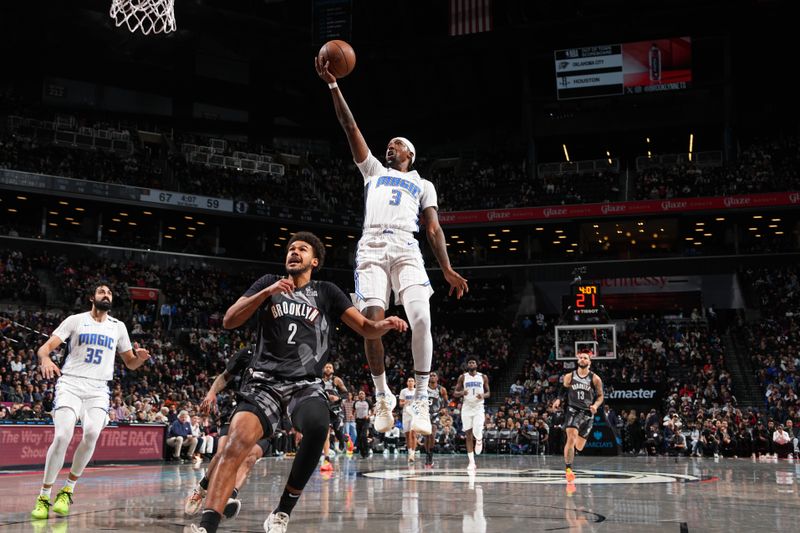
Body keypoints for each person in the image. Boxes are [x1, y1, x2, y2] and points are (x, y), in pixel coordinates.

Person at [189, 232, 407, 533]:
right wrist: (266, 294)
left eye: (302, 249)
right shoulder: (267, 283)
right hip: (264, 382)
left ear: (314, 261)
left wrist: (383, 325)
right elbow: (229, 320)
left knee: (318, 427)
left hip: (304, 384)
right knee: (235, 443)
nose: (294, 252)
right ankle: (207, 525)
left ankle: (282, 512)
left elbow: (366, 328)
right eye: (291, 249)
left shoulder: (327, 292)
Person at [315, 57, 469, 437]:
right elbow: (349, 125)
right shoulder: (374, 173)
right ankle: (383, 396)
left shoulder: (423, 183)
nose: (390, 146)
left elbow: (432, 228)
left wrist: (446, 267)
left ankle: (419, 400)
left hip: (406, 247)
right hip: (371, 248)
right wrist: (334, 85)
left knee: (422, 318)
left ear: (410, 155)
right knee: (371, 325)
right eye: (388, 143)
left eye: (397, 144)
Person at [31, 282, 151, 520]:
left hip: (98, 389)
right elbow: (44, 349)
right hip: (71, 384)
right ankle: (44, 496)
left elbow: (130, 363)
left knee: (92, 434)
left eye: (109, 293)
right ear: (92, 298)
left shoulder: (118, 327)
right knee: (63, 436)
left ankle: (67, 490)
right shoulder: (75, 320)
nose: (106, 294)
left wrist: (141, 359)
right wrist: (45, 359)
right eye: (101, 292)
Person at [184, 347, 270, 520]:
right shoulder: (248, 353)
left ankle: (229, 497)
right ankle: (201, 490)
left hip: (269, 414)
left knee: (250, 457)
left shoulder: (289, 356)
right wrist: (211, 393)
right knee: (223, 452)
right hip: (243, 409)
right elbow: (225, 376)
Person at [552, 349, 604, 486]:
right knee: (571, 437)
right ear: (577, 360)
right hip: (572, 410)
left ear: (589, 362)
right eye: (580, 357)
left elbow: (600, 396)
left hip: (587, 413)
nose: (582, 359)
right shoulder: (569, 376)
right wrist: (558, 400)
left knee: (579, 446)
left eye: (585, 358)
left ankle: (571, 449)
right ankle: (568, 469)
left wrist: (596, 406)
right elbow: (562, 391)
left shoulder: (595, 378)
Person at [453, 358, 490, 471]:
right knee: (468, 434)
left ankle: (479, 439)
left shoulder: (483, 376)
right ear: (467, 365)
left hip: (478, 407)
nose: (471, 364)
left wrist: (483, 395)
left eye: (473, 362)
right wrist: (461, 393)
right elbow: (455, 393)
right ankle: (471, 462)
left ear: (477, 364)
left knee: (477, 430)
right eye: (469, 362)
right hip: (467, 407)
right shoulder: (463, 377)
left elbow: (488, 392)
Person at [321, 362, 349, 463]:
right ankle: (326, 457)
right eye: (326, 367)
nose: (328, 369)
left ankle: (343, 439)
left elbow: (346, 394)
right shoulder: (319, 381)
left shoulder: (336, 380)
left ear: (333, 370)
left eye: (330, 367)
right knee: (326, 433)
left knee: (337, 432)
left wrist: (338, 397)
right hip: (325, 408)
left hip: (336, 408)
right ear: (323, 369)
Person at [424, 371, 449, 466]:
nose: (432, 377)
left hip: (435, 414)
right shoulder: (424, 389)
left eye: (434, 375)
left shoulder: (441, 389)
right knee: (426, 435)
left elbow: (446, 402)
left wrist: (444, 409)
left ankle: (430, 454)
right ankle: (427, 454)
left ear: (437, 378)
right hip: (425, 413)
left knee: (432, 434)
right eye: (430, 376)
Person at [399, 377, 418, 463]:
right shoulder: (403, 391)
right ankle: (409, 452)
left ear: (414, 383)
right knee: (407, 435)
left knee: (413, 434)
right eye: (409, 381)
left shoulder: (417, 391)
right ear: (407, 383)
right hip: (406, 414)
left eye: (412, 381)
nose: (410, 382)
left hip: (414, 414)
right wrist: (405, 402)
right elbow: (400, 404)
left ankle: (412, 454)